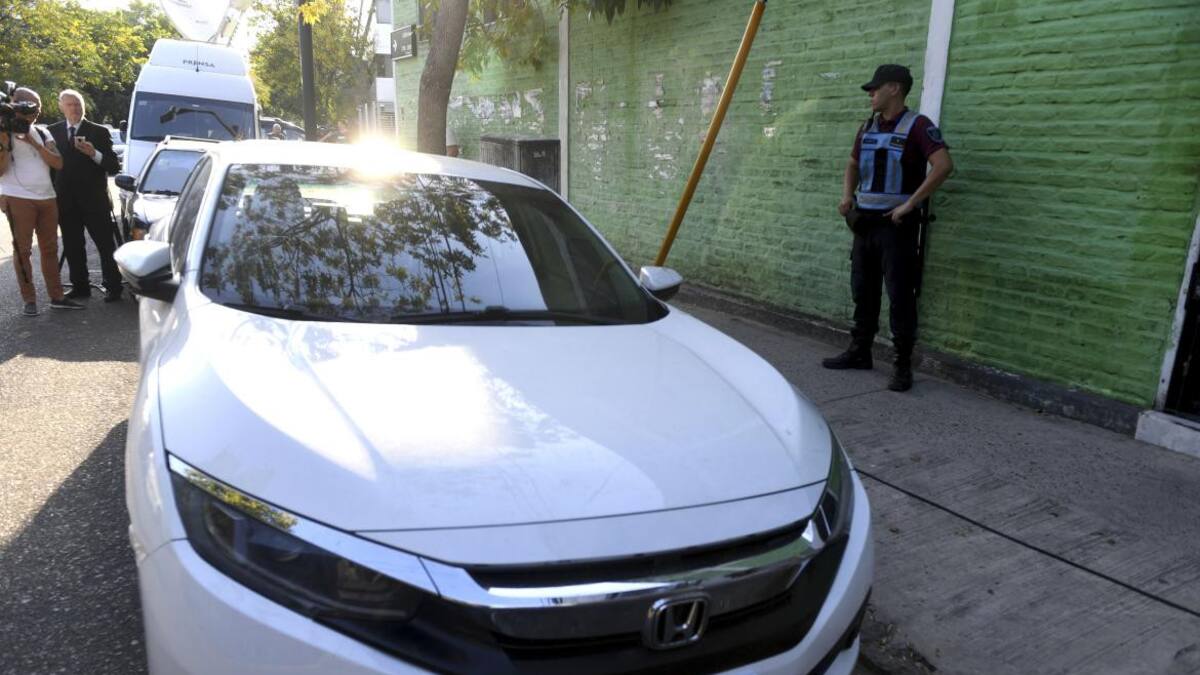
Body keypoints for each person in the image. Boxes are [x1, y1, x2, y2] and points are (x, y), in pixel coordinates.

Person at [822, 64, 954, 392]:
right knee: (862, 291)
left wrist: (912, 203)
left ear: (894, 88)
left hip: (896, 228)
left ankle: (901, 365)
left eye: (875, 88)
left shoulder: (918, 126)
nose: (871, 94)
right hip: (864, 224)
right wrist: (846, 197)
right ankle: (860, 351)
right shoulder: (867, 126)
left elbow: (943, 165)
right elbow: (852, 164)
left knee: (899, 296)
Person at [0, 88, 83, 315]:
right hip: (18, 197)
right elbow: (1, 169)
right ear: (14, 106)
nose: (34, 109)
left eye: (36, 104)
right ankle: (30, 300)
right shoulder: (4, 131)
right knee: (22, 251)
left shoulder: (44, 133)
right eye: (26, 104)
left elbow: (58, 163)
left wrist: (33, 142)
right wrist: (6, 141)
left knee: (50, 249)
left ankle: (56, 297)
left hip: (47, 197)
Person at [47, 89, 123, 302]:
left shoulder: (98, 131)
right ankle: (80, 286)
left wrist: (94, 154)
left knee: (105, 246)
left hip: (95, 201)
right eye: (70, 104)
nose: (75, 108)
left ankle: (113, 287)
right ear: (61, 106)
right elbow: (50, 168)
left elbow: (113, 165)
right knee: (72, 246)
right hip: (65, 201)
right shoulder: (52, 132)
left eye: (78, 104)